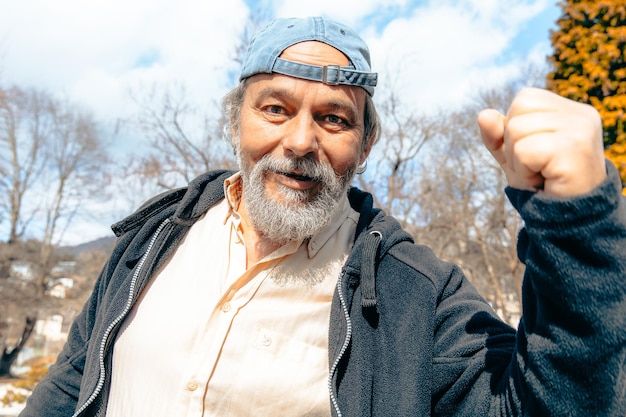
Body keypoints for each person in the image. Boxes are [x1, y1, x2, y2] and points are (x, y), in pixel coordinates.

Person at [20, 16, 625, 417]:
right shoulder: (151, 241)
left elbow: (547, 406)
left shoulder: (417, 295)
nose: (301, 141)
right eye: (275, 108)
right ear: (237, 124)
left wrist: (576, 226)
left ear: (363, 147)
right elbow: (71, 383)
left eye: (334, 118)